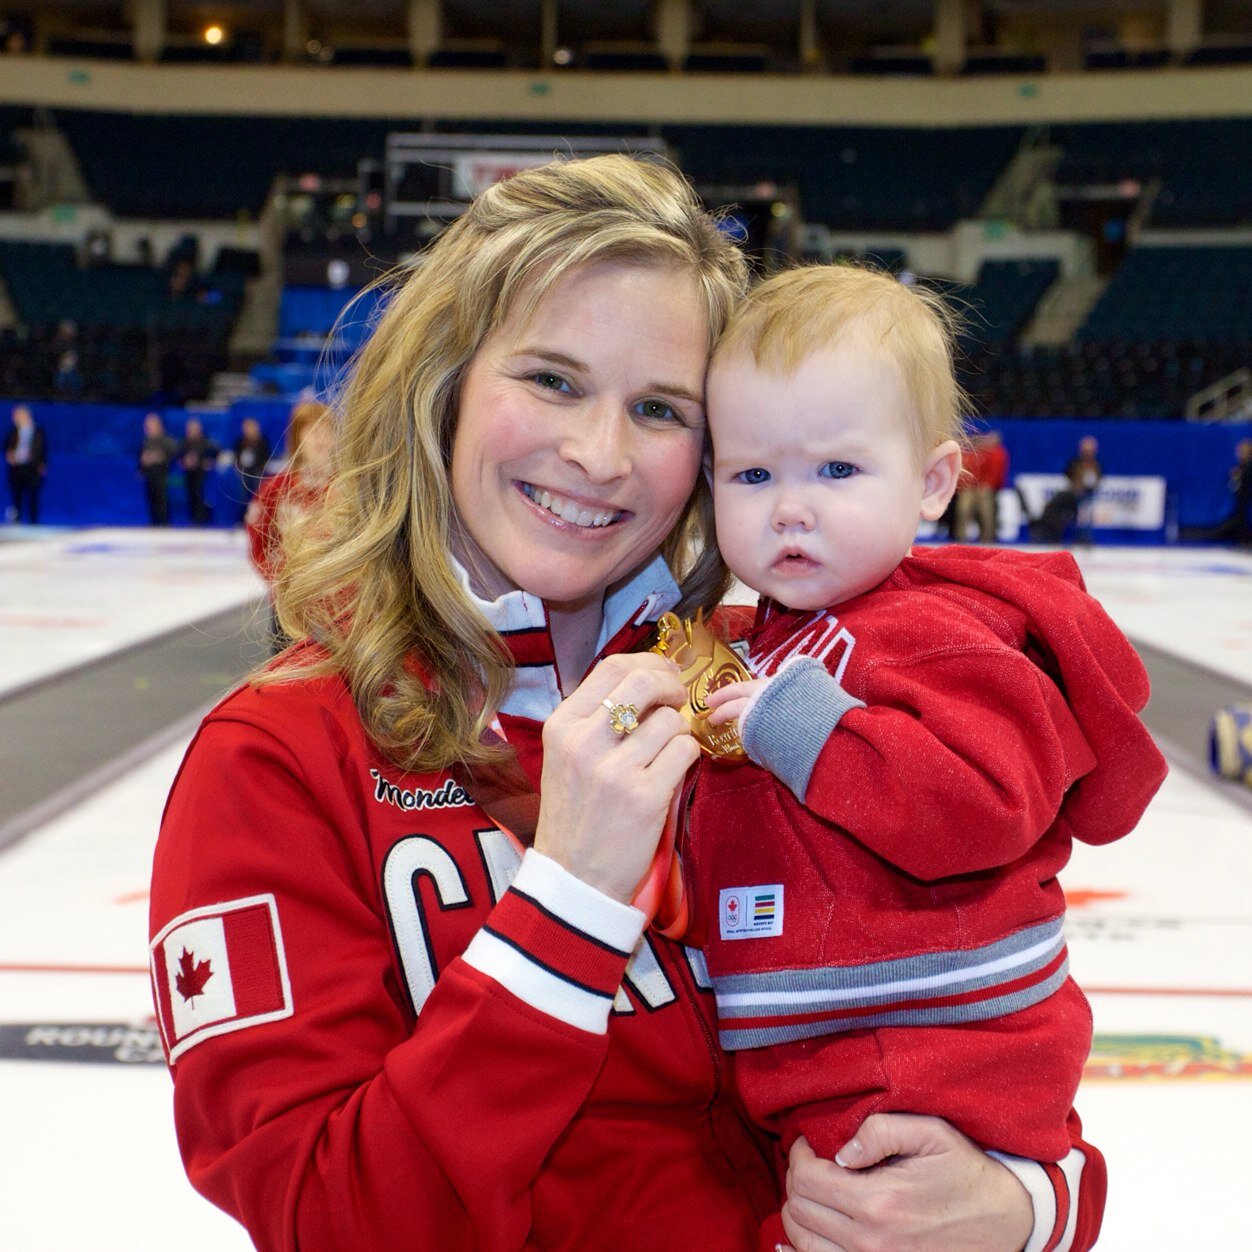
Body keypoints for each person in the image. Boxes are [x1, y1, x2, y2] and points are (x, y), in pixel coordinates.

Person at [148, 157, 1104, 1252]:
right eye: (552, 380)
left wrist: (1028, 1202)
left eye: (659, 408)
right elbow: (325, 1216)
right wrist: (566, 901)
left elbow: (975, 1020)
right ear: (445, 385)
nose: (598, 455)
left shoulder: (774, 694)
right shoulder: (276, 757)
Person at [682, 264, 1165, 1249]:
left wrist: (798, 721)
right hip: (838, 1058)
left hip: (928, 1062)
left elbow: (980, 800)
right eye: (751, 475)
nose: (788, 509)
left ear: (934, 483)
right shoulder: (784, 634)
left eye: (835, 471)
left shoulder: (945, 632)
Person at [245, 399, 335, 650]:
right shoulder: (277, 488)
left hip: (337, 607)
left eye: (328, 430)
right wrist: (277, 580)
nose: (322, 439)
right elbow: (258, 537)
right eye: (314, 431)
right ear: (298, 438)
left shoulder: (346, 488)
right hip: (290, 604)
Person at [953, 428, 1008, 542]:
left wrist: (988, 485)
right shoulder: (976, 453)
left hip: (985, 487)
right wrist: (965, 484)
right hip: (972, 486)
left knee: (985, 511)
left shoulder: (997, 454)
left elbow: (995, 472)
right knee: (963, 509)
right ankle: (961, 535)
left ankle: (987, 536)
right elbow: (969, 469)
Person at [4, 404, 47, 524]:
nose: (15, 418)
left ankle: (34, 522)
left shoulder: (38, 432)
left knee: (33, 496)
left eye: (18, 415)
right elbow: (7, 448)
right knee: (17, 495)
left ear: (26, 416)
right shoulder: (12, 432)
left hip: (32, 468)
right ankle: (16, 521)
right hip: (17, 468)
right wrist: (10, 456)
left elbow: (43, 450)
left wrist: (42, 465)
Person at [177, 417, 220, 525]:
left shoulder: (206, 443)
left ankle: (202, 517)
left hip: (202, 473)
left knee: (199, 487)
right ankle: (193, 517)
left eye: (195, 429)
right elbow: (177, 456)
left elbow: (217, 453)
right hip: (188, 473)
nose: (192, 432)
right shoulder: (183, 443)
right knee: (190, 485)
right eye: (190, 429)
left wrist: (208, 462)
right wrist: (184, 462)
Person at [137, 411, 177, 526]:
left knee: (162, 501)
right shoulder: (146, 442)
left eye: (151, 425)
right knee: (151, 500)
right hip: (150, 476)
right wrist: (142, 466)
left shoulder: (167, 441)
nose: (148, 428)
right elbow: (141, 457)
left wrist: (159, 458)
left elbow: (171, 454)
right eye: (147, 426)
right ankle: (154, 524)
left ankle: (165, 524)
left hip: (163, 476)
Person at [1211, 437, 1252, 547]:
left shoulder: (1247, 466)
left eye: (1242, 451)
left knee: (1241, 517)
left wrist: (1239, 474)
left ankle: (1244, 538)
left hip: (1245, 499)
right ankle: (1241, 538)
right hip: (1240, 500)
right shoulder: (1241, 466)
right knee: (1239, 516)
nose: (1239, 453)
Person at [230, 416, 271, 521]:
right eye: (247, 428)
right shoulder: (240, 442)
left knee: (259, 481)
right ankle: (241, 515)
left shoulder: (262, 442)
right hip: (243, 471)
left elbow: (266, 457)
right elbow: (235, 457)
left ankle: (260, 515)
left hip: (257, 470)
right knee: (240, 484)